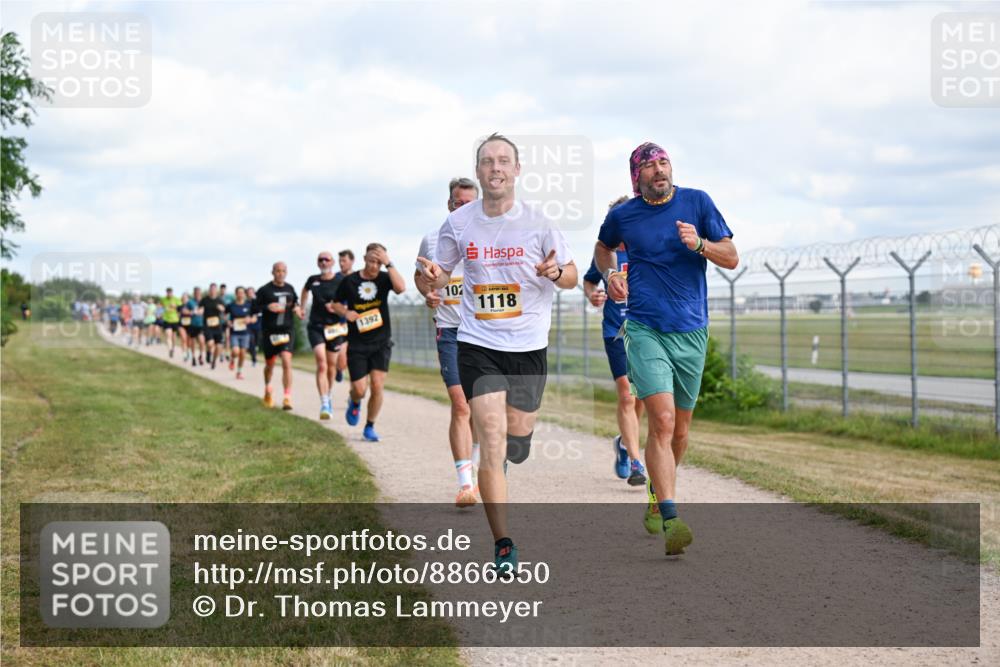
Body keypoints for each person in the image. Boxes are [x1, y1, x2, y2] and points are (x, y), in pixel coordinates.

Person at [417, 133, 577, 572]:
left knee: (516, 441)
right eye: (487, 161)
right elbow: (435, 279)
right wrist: (426, 278)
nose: (496, 168)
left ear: (517, 169)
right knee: (489, 437)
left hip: (528, 346)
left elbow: (572, 277)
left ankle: (514, 447)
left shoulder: (540, 222)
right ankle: (503, 542)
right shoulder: (459, 223)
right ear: (479, 170)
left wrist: (557, 270)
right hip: (477, 343)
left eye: (504, 161)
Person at [595, 141, 738, 556]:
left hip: (692, 331)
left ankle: (658, 495)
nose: (659, 170)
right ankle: (673, 518)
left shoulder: (698, 203)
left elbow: (730, 257)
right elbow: (603, 248)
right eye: (650, 165)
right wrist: (610, 276)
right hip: (644, 328)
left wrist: (700, 246)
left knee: (680, 431)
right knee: (661, 419)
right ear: (636, 176)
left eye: (664, 162)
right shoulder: (623, 215)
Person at [414, 176, 481, 507]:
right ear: (449, 205)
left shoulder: (492, 238)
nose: (464, 208)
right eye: (458, 203)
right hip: (451, 331)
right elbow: (419, 275)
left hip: (486, 332)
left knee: (483, 411)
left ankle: (481, 464)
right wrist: (428, 292)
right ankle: (465, 484)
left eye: (470, 203)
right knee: (460, 404)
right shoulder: (432, 239)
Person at [583, 196, 647, 487]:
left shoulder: (645, 251)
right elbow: (589, 281)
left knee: (643, 397)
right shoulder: (605, 255)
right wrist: (593, 295)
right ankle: (636, 461)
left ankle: (623, 442)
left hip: (647, 332)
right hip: (616, 332)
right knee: (626, 395)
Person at [332, 243, 406, 441]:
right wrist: (346, 312)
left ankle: (370, 425)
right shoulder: (350, 281)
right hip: (357, 344)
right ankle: (354, 401)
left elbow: (401, 288)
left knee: (377, 385)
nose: (374, 266)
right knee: (359, 389)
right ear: (364, 258)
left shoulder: (384, 278)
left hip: (381, 342)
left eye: (378, 262)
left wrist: (389, 264)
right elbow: (336, 304)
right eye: (372, 261)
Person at [302, 251, 349, 419]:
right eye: (320, 259)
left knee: (331, 366)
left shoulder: (340, 280)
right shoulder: (312, 280)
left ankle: (328, 395)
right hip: (316, 326)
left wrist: (337, 308)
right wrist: (302, 307)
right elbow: (305, 291)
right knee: (321, 363)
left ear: (332, 262)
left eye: (326, 259)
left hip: (335, 327)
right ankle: (323, 402)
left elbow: (348, 301)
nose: (323, 262)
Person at [254, 262, 303, 410]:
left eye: (283, 271)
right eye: (278, 271)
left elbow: (295, 303)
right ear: (273, 272)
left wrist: (297, 309)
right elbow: (254, 307)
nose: (281, 273)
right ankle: (268, 388)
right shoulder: (264, 290)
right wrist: (267, 307)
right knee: (270, 365)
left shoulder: (290, 289)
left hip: (287, 330)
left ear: (286, 272)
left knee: (287, 361)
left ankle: (287, 397)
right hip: (270, 332)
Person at [332, 249, 355, 382]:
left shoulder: (358, 277)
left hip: (354, 322)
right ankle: (339, 368)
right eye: (340, 260)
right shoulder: (335, 278)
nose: (341, 263)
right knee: (340, 353)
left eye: (344, 260)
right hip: (338, 321)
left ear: (352, 261)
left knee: (352, 353)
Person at [227, 286, 255, 380]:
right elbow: (225, 315)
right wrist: (228, 321)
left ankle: (239, 372)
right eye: (239, 292)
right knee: (236, 351)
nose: (241, 294)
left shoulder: (249, 305)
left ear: (245, 294)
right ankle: (232, 359)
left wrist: (250, 319)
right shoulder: (231, 305)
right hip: (234, 332)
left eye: (242, 292)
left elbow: (254, 317)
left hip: (245, 333)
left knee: (242, 354)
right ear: (236, 294)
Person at [200, 283, 226, 369]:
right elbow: (200, 309)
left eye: (214, 289)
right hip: (207, 325)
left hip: (217, 326)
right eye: (211, 289)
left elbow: (224, 309)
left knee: (218, 346)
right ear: (209, 290)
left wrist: (221, 308)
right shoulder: (204, 300)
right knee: (210, 344)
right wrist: (199, 311)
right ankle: (208, 352)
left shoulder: (219, 300)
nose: (212, 291)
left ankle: (214, 361)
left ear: (216, 290)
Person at [183, 287, 206, 366]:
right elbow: (184, 311)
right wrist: (192, 312)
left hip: (201, 325)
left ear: (200, 293)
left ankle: (201, 356)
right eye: (196, 293)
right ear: (194, 293)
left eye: (199, 292)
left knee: (202, 341)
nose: (197, 294)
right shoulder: (190, 302)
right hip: (193, 324)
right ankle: (193, 357)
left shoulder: (203, 301)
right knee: (192, 342)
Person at [161, 287, 182, 358]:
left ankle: (173, 348)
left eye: (170, 292)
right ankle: (170, 349)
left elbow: (180, 308)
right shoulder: (163, 299)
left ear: (172, 293)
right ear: (166, 292)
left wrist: (175, 306)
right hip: (167, 320)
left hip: (175, 320)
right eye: (168, 292)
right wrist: (162, 311)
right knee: (168, 335)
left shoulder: (176, 299)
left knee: (173, 337)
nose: (169, 293)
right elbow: (161, 307)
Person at [245, 286, 261, 367]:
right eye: (249, 293)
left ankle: (253, 352)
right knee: (251, 341)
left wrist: (255, 316)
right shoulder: (245, 303)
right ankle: (254, 359)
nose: (250, 294)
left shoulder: (258, 302)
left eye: (252, 292)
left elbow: (261, 312)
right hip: (248, 326)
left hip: (257, 325)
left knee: (255, 344)